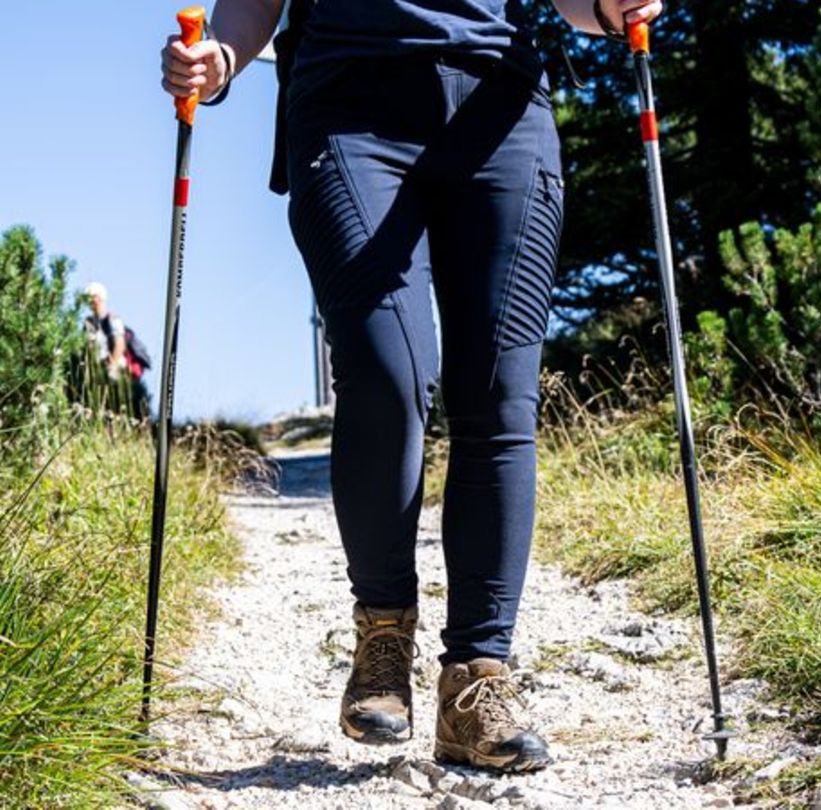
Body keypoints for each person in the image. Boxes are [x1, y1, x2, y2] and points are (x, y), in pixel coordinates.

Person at [160, 0, 662, 773]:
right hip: (347, 107)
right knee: (389, 374)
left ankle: (476, 680)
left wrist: (610, 7)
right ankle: (384, 636)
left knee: (499, 394)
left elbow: (579, 5)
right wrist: (220, 61)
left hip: (500, 107)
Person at [81, 281, 150, 419]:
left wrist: (111, 366)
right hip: (97, 368)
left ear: (100, 298)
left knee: (115, 403)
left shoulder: (112, 319)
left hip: (114, 368)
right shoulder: (89, 322)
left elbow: (120, 344)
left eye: (92, 297)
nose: (89, 301)